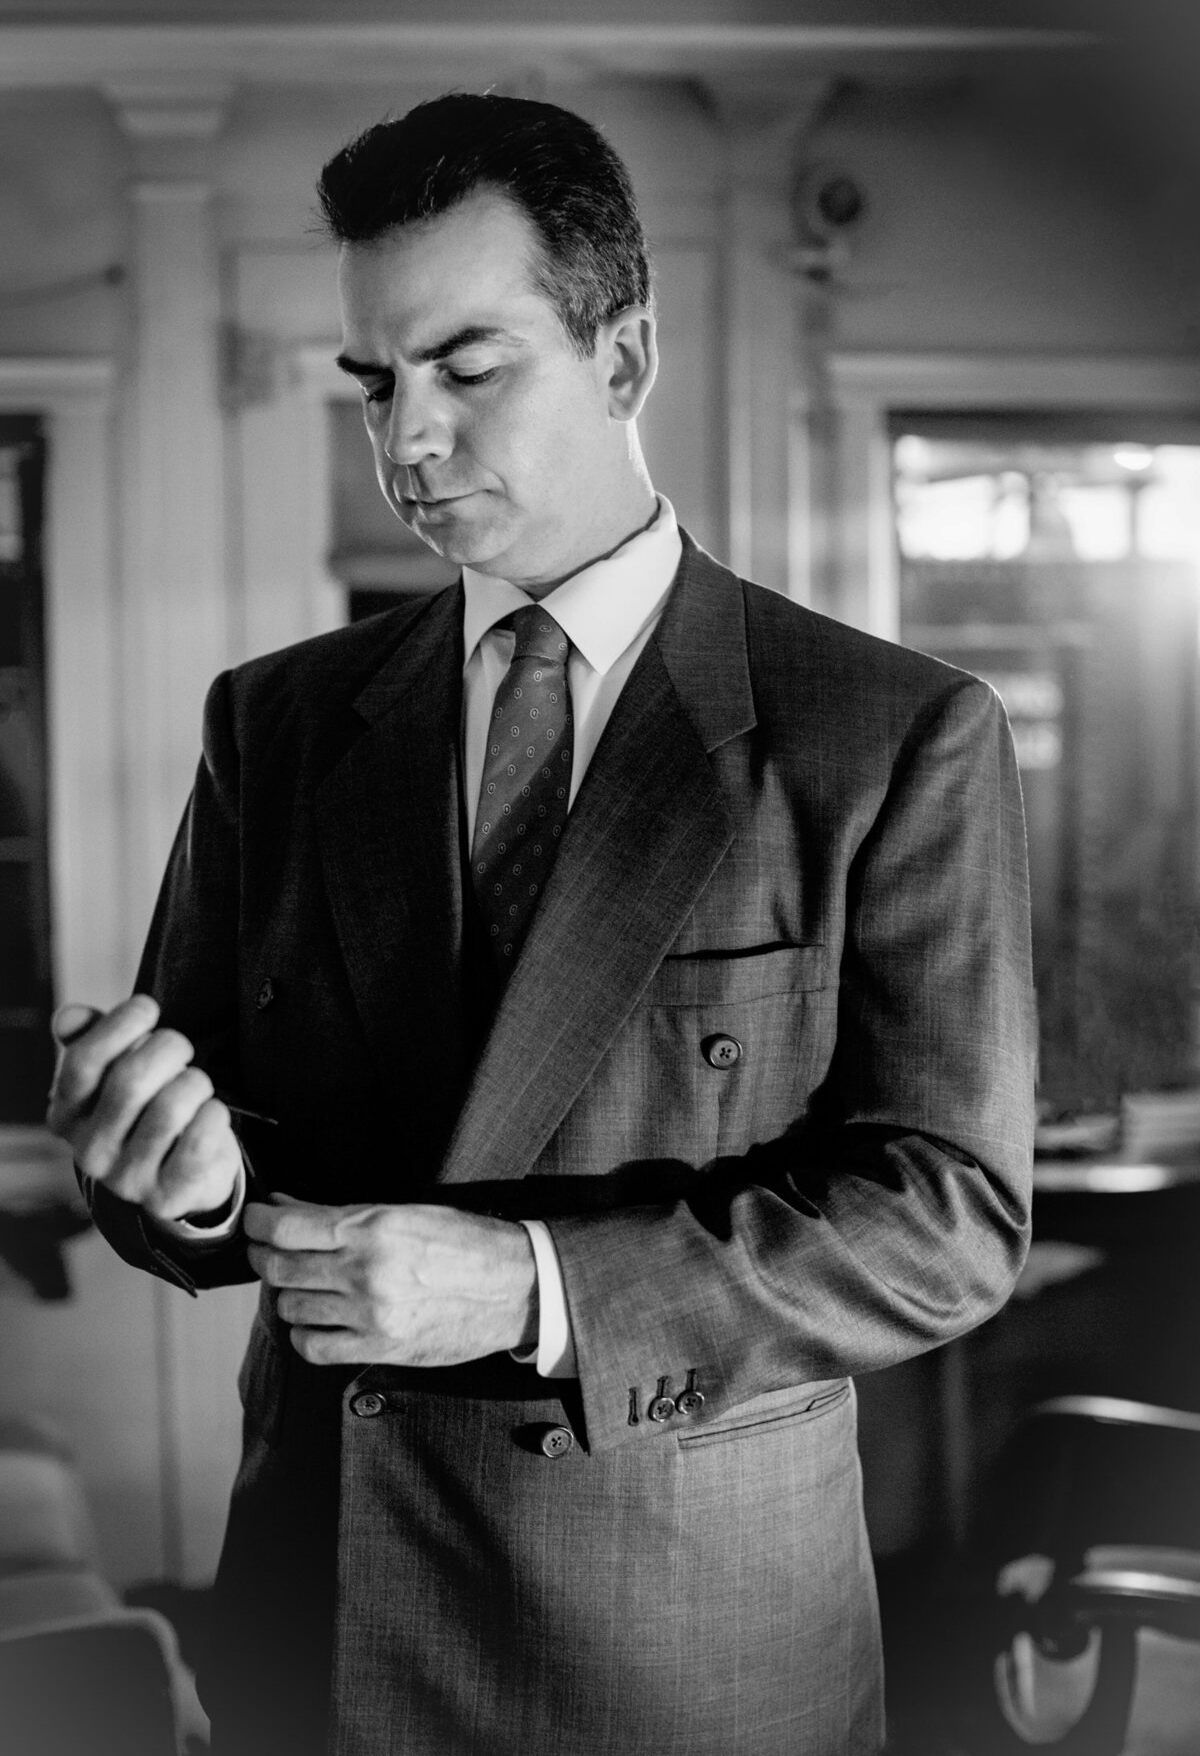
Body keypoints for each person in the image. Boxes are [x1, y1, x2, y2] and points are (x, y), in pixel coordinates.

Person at [48, 93, 1036, 1756]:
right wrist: (187, 1183)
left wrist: (528, 1291)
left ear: (625, 355)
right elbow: (207, 1184)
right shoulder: (271, 728)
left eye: (466, 366)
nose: (403, 439)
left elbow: (946, 1217)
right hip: (321, 1625)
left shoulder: (889, 735)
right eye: (374, 382)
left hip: (679, 1650)